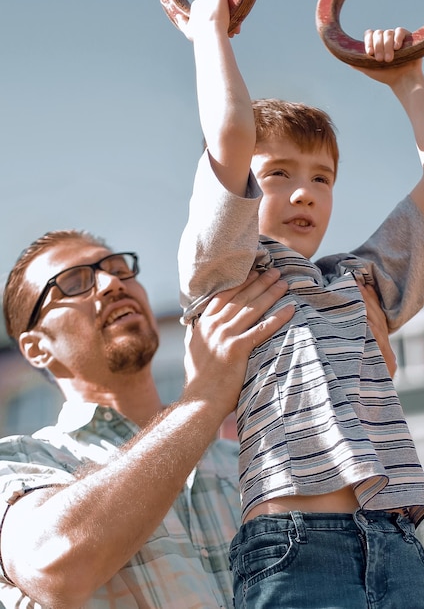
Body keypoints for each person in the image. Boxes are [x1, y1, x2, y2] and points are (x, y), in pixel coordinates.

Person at [177, 0, 424, 608]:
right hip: (293, 544)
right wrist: (210, 30)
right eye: (278, 173)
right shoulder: (226, 272)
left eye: (321, 178)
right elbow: (230, 136)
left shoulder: (360, 282)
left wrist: (407, 77)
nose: (304, 193)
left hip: (396, 542)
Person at [0, 230, 296, 608]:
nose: (111, 283)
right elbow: (56, 565)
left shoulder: (248, 466)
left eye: (121, 269)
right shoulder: (21, 465)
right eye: (74, 282)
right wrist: (204, 397)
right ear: (37, 347)